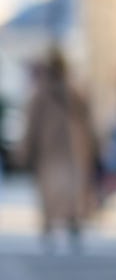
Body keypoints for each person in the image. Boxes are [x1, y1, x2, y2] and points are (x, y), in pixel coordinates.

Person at [17, 48, 99, 252]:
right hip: (71, 149)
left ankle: (54, 224)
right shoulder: (74, 90)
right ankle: (71, 222)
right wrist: (95, 147)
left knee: (51, 189)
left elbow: (31, 125)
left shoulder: (42, 93)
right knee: (71, 187)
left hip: (51, 150)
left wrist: (25, 151)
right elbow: (89, 123)